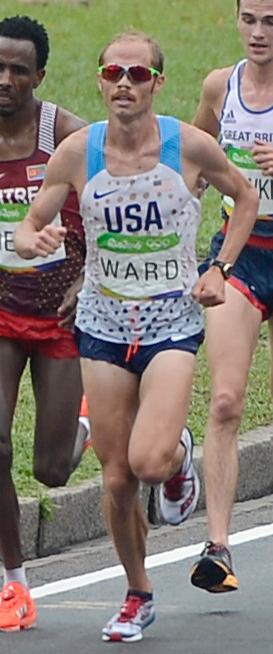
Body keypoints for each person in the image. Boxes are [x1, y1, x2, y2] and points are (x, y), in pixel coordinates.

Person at [14, 29, 258, 642]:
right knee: (117, 479)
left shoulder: (188, 145)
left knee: (147, 463)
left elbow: (245, 196)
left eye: (138, 74)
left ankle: (177, 455)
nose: (125, 83)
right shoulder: (77, 151)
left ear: (157, 84)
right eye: (114, 72)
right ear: (99, 80)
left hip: (169, 322)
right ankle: (136, 592)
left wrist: (219, 267)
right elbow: (31, 222)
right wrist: (31, 239)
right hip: (101, 323)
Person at [0, 15, 91, 632]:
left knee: (51, 469)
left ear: (40, 76)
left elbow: (120, 213)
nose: (4, 79)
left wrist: (88, 280)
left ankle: (85, 426)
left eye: (17, 70)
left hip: (60, 312)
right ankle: (13, 582)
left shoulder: (67, 135)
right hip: (1, 311)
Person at [190, 0, 273, 594]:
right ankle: (217, 548)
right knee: (224, 401)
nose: (259, 33)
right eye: (250, 19)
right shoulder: (221, 85)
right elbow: (196, 157)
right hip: (239, 252)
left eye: (272, 21)